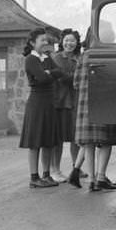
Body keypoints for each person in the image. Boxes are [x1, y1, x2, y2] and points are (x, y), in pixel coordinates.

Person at [74, 27, 116, 192]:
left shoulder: (83, 57)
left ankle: (91, 180)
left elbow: (75, 83)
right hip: (106, 102)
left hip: (86, 104)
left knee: (89, 142)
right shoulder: (109, 54)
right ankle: (101, 177)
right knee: (106, 142)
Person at [19, 28, 65, 188]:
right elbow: (42, 77)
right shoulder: (30, 59)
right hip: (37, 104)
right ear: (33, 43)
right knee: (35, 141)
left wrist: (49, 73)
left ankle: (46, 174)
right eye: (42, 40)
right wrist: (50, 74)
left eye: (46, 40)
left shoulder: (47, 58)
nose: (45, 43)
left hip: (50, 102)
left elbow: (60, 72)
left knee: (48, 141)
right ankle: (34, 177)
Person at [50, 29, 81, 184]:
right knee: (59, 138)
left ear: (77, 43)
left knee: (76, 136)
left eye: (73, 40)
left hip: (76, 100)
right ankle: (55, 169)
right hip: (60, 101)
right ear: (62, 42)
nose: (69, 43)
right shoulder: (55, 58)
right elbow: (62, 78)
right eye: (67, 40)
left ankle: (77, 167)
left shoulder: (79, 58)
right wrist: (76, 77)